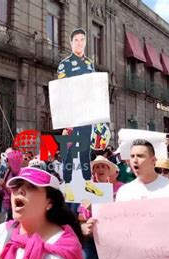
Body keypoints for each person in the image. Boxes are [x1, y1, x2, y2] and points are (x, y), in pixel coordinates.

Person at [116, 140, 169, 236]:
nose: (135, 160)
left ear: (153, 160)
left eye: (140, 156)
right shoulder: (123, 192)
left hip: (167, 250)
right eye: (132, 156)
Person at [57, 28, 97, 202]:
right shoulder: (64, 64)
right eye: (76, 40)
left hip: (86, 114)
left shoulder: (90, 63)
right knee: (70, 150)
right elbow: (61, 89)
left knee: (85, 149)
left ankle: (88, 181)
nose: (80, 43)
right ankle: (67, 184)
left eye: (82, 40)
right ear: (71, 42)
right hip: (71, 114)